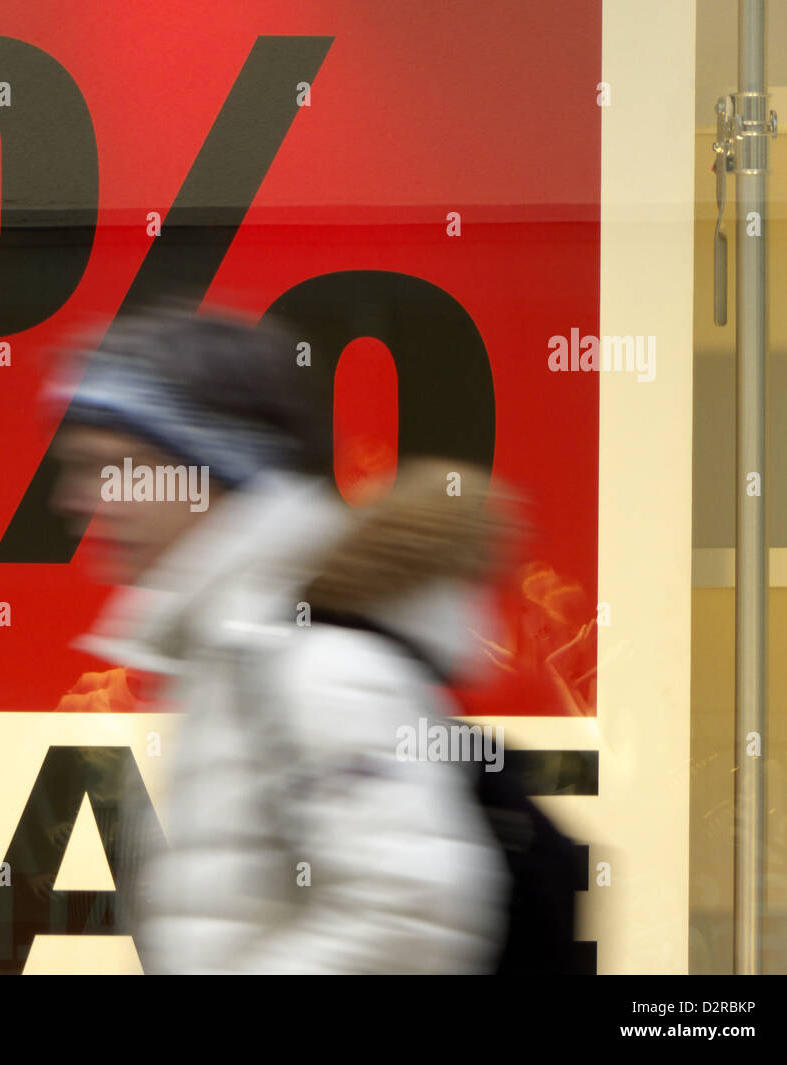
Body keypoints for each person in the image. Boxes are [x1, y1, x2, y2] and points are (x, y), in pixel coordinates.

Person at [48, 303, 511, 973]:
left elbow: (410, 916)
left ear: (210, 465)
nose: (77, 498)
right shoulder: (232, 650)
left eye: (110, 466)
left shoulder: (312, 659)